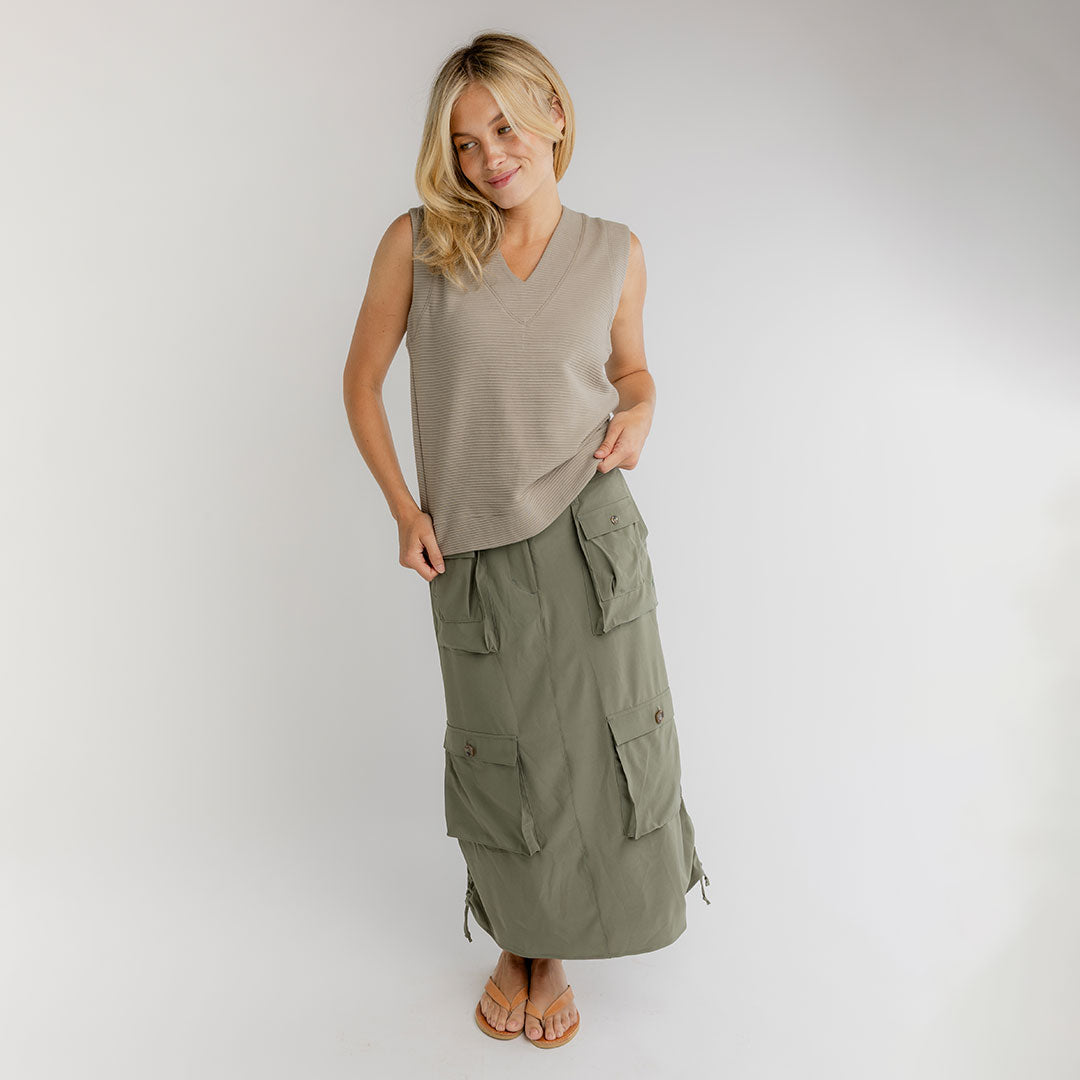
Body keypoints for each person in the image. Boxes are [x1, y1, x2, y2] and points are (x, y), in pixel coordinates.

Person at [342, 31, 709, 1049]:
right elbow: (360, 383)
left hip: (592, 531)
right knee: (503, 758)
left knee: (602, 745)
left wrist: (644, 410)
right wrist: (404, 508)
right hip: (472, 541)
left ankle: (556, 950)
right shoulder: (419, 243)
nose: (488, 157)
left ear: (553, 114)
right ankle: (522, 942)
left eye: (504, 127)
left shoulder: (617, 251)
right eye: (464, 142)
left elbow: (631, 372)